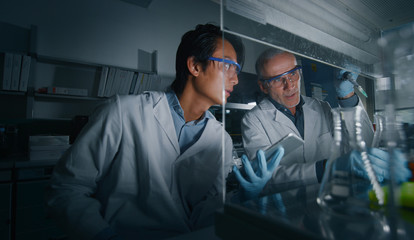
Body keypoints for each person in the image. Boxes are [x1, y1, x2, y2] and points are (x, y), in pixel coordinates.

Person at [46, 24, 282, 240]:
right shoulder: (123, 112)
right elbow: (67, 188)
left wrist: (243, 196)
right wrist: (102, 236)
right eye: (228, 66)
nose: (236, 79)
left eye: (237, 69)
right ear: (195, 66)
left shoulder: (220, 138)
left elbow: (205, 213)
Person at [241, 48, 410, 197]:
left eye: (293, 73)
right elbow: (265, 177)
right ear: (263, 87)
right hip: (288, 207)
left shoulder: (321, 106)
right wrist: (328, 167)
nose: (290, 85)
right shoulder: (254, 120)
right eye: (278, 79)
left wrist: (347, 96)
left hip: (334, 198)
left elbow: (363, 146)